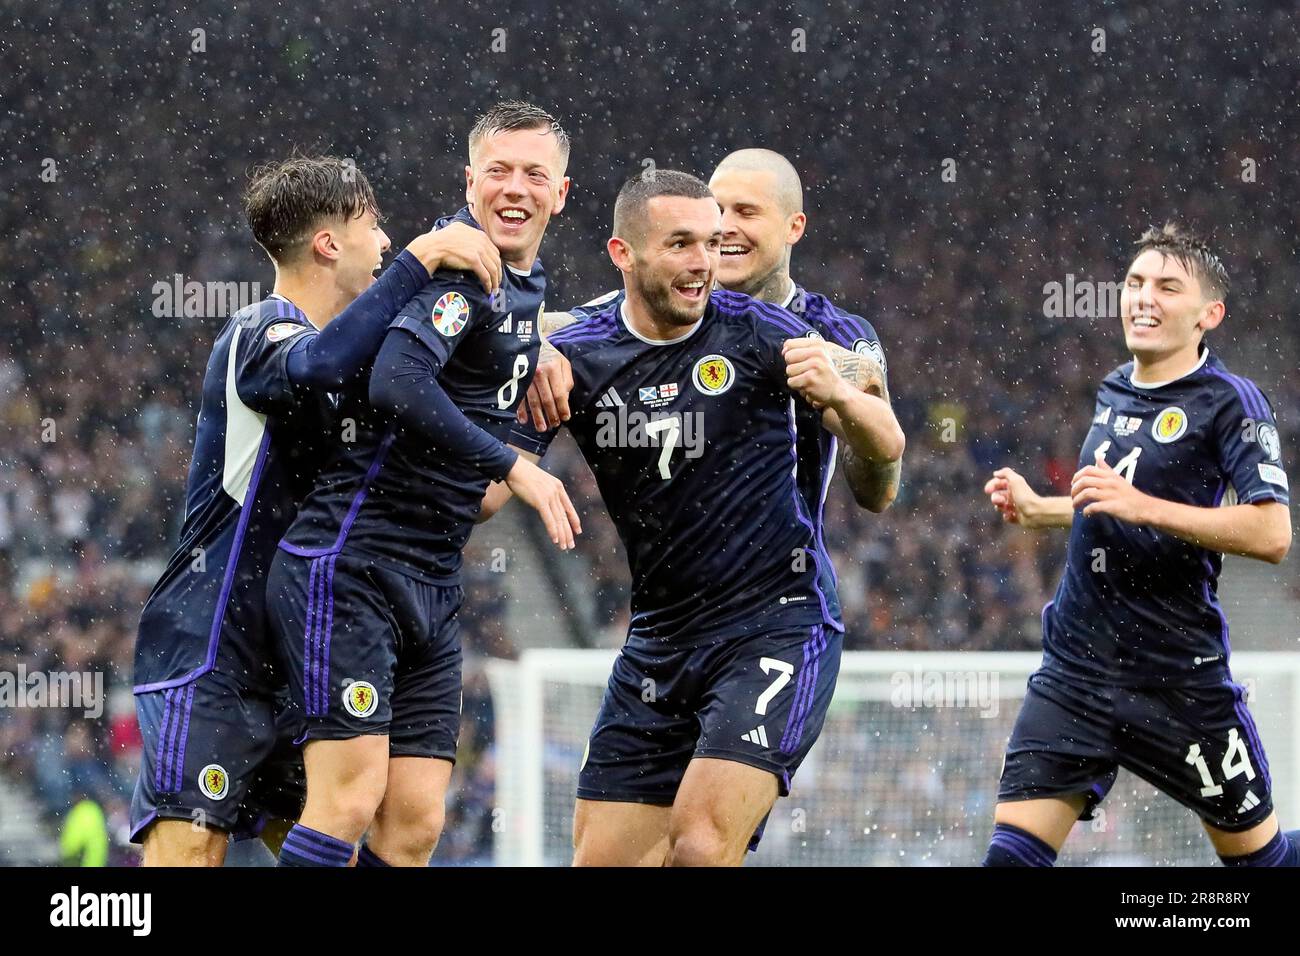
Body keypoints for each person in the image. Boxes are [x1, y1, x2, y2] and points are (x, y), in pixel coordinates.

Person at [501, 169, 904, 865]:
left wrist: (840, 393)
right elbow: (548, 346)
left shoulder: (774, 332)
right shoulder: (589, 344)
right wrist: (520, 347)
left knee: (699, 845)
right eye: (689, 238)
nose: (707, 256)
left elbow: (885, 458)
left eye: (719, 234)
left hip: (775, 620)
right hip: (660, 636)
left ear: (791, 227)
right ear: (626, 253)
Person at [130, 153, 501, 866]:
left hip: (302, 645)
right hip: (215, 646)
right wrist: (422, 261)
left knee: (337, 836)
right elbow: (318, 363)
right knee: (191, 849)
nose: (389, 240)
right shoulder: (260, 330)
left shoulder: (365, 367)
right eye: (374, 223)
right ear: (329, 242)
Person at [267, 102, 580, 868]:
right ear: (469, 182)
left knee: (413, 827)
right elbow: (398, 382)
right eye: (498, 171)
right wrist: (520, 465)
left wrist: (535, 418)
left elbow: (481, 501)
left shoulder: (528, 291)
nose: (515, 188)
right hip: (353, 563)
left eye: (533, 174)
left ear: (561, 192)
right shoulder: (457, 267)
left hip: (433, 582)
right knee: (347, 800)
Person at [982, 223, 1297, 866]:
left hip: (1177, 682)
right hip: (1075, 671)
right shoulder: (1114, 386)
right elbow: (1115, 505)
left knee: (1258, 865)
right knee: (1011, 861)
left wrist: (1141, 507)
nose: (1143, 298)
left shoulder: (1231, 402)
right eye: (1134, 283)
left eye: (1167, 287)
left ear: (1209, 314)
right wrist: (1043, 510)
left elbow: (1271, 533)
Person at [520, 148, 900, 512]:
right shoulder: (655, 313)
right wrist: (543, 345)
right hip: (667, 568)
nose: (727, 226)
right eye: (718, 211)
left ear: (793, 227)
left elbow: (877, 495)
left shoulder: (836, 333)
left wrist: (841, 401)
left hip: (791, 574)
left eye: (746, 212)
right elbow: (535, 327)